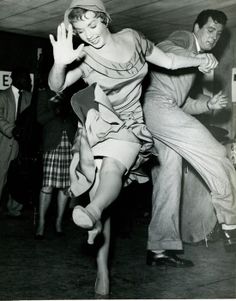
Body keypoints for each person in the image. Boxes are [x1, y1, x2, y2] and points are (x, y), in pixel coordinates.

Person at [48, 0, 218, 296]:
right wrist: (60, 63)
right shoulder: (84, 54)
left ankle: (94, 211)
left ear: (105, 18)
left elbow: (170, 61)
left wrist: (200, 61)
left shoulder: (134, 38)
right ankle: (101, 261)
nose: (89, 34)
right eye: (81, 30)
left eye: (93, 25)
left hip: (129, 124)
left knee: (110, 174)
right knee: (103, 187)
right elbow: (56, 86)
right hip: (97, 121)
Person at [143, 9, 236, 268]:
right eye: (210, 30)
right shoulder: (183, 38)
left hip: (161, 114)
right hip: (159, 108)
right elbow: (165, 48)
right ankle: (232, 222)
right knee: (216, 154)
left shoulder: (192, 63)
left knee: (168, 182)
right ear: (196, 27)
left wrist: (208, 104)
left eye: (218, 33)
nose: (214, 37)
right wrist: (197, 58)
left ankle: (160, 249)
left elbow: (182, 104)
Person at [35, 85, 77, 239]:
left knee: (66, 185)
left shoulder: (71, 93)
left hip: (70, 144)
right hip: (52, 143)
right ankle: (41, 224)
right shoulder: (44, 93)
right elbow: (40, 118)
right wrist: (55, 110)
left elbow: (77, 118)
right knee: (47, 185)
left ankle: (58, 223)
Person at [0, 69, 32, 216]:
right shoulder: (2, 95)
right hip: (3, 145)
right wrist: (12, 130)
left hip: (21, 147)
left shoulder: (29, 97)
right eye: (25, 78)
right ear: (16, 78)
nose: (28, 81)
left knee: (19, 178)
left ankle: (14, 208)